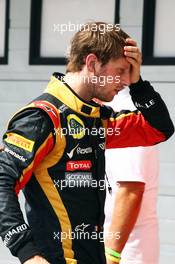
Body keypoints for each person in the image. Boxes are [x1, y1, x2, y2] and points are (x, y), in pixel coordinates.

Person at [0, 22, 174, 264]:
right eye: (120, 71)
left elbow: (159, 129)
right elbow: (2, 181)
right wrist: (27, 253)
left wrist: (139, 85)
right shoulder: (43, 117)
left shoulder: (96, 118)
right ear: (92, 63)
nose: (125, 80)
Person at [104, 89, 160, 264]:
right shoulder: (101, 111)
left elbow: (131, 189)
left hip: (126, 252)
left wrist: (111, 255)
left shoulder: (128, 111)